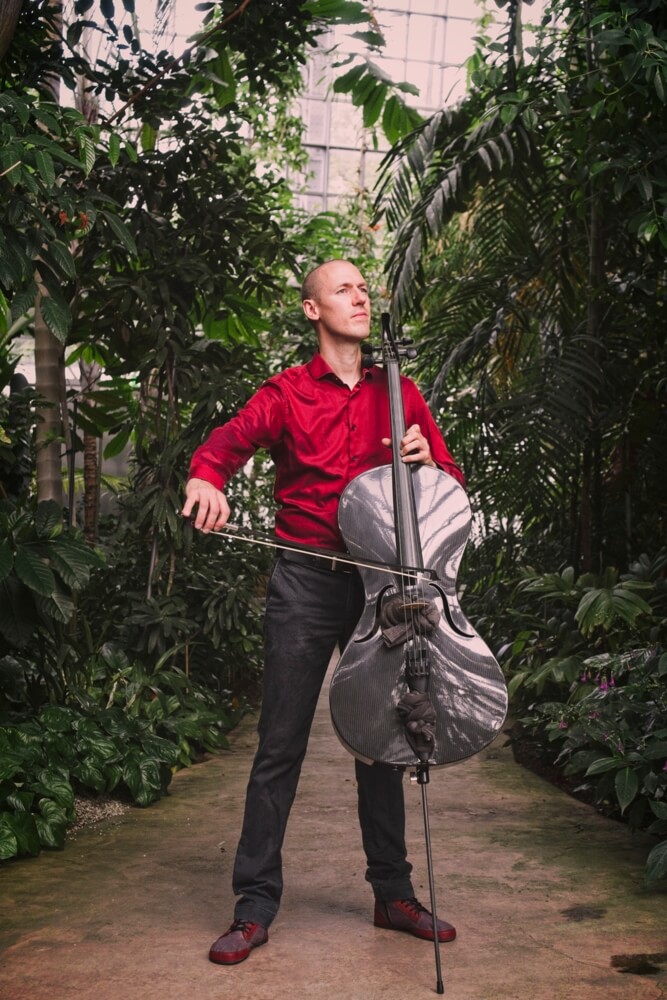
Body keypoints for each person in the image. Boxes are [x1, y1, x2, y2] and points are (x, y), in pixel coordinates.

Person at [182, 259, 466, 966]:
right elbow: (225, 446)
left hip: (383, 586)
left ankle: (392, 894)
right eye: (343, 289)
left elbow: (450, 486)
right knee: (280, 743)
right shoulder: (284, 393)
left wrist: (428, 462)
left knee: (382, 740)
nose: (360, 297)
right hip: (306, 582)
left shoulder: (400, 392)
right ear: (312, 309)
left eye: (364, 288)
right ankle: (253, 906)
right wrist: (206, 478)